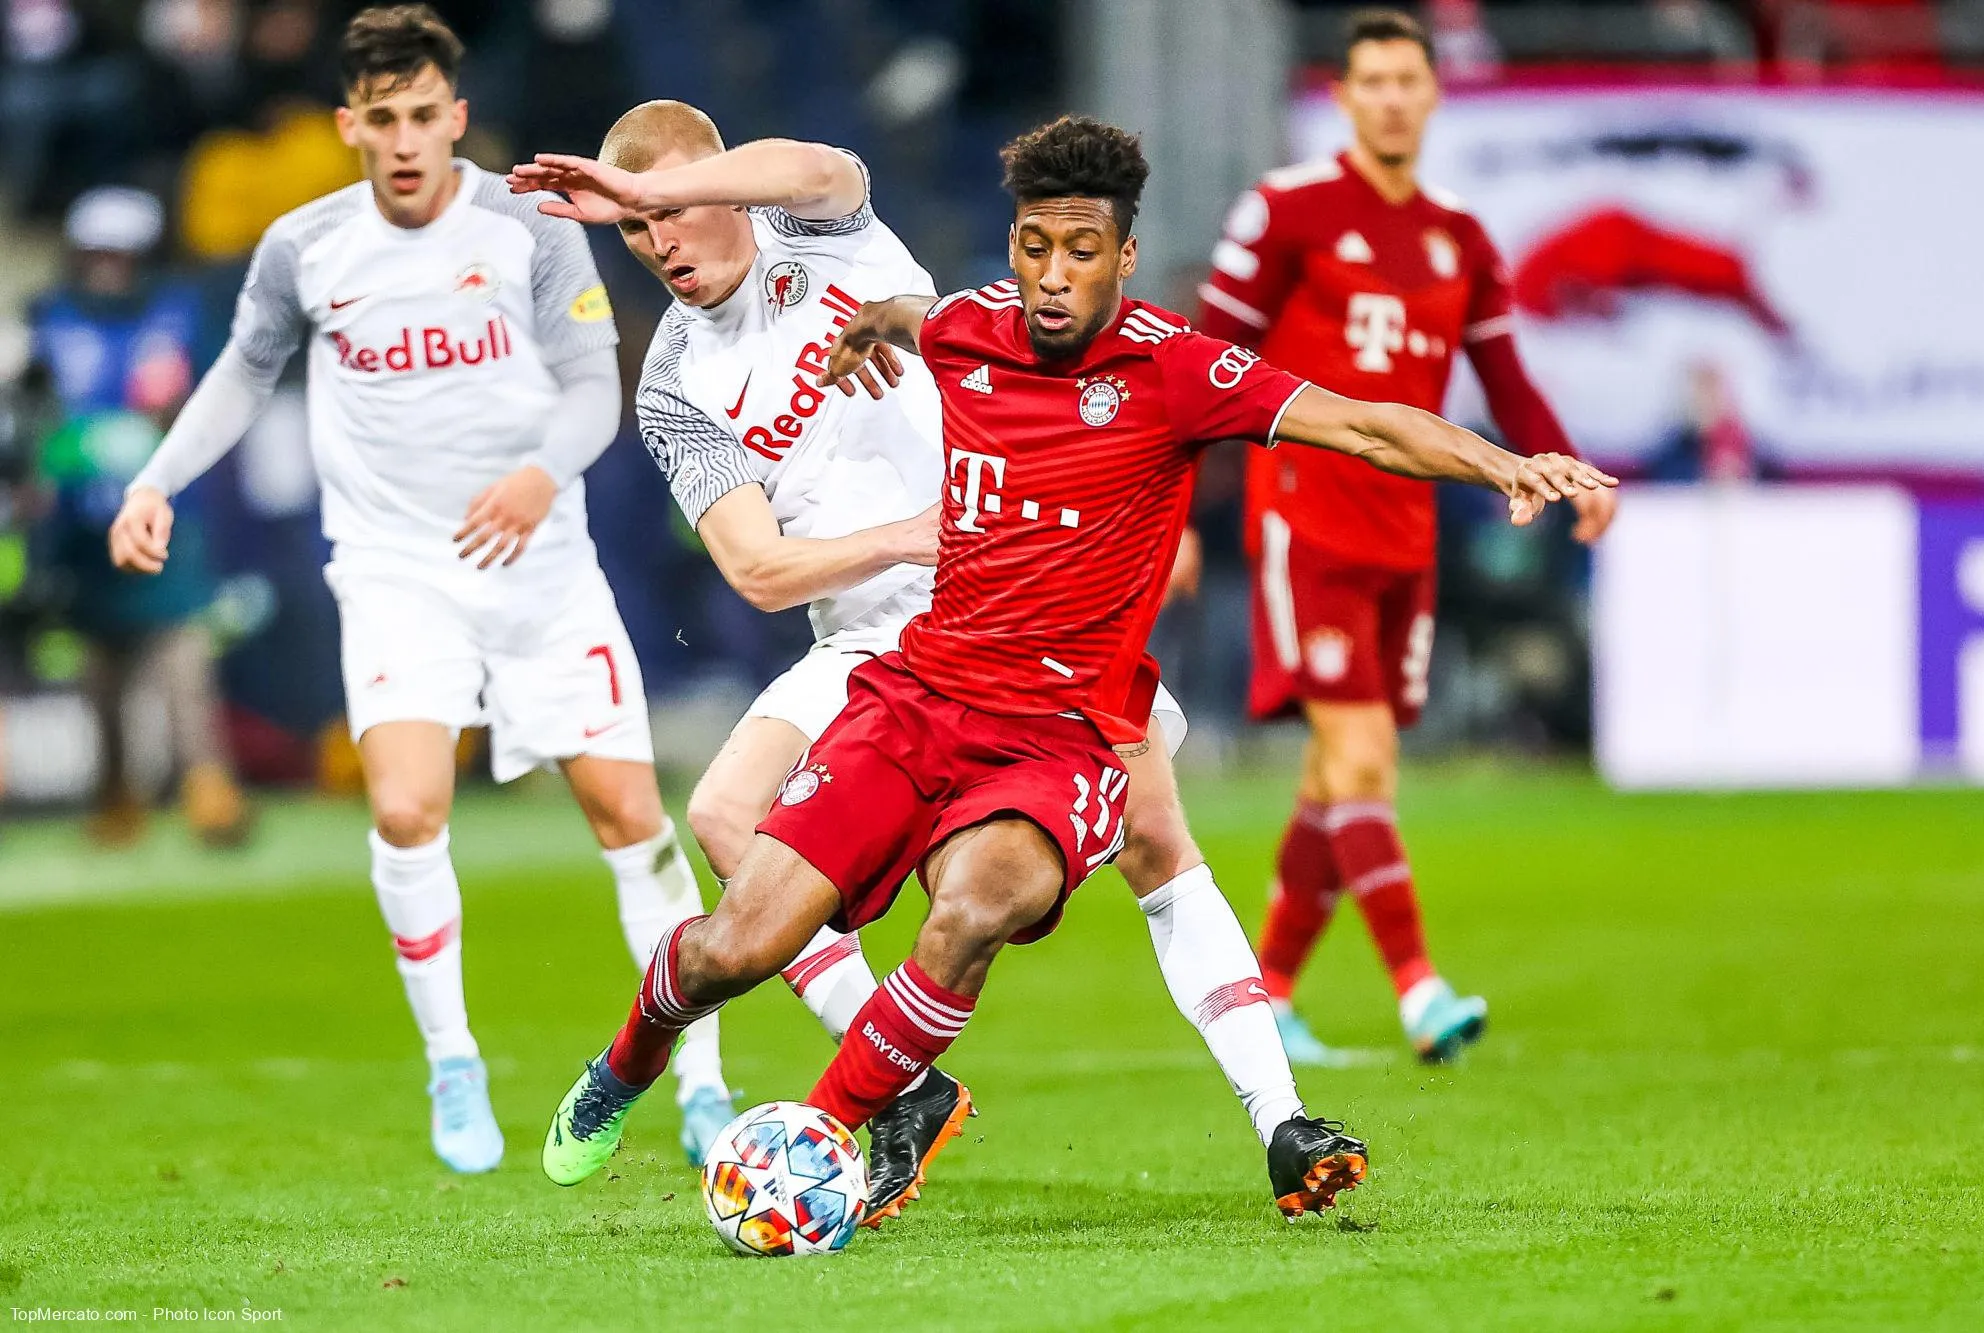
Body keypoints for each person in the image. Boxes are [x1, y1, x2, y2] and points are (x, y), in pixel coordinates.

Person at [529, 114, 1614, 1233]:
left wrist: (1503, 462)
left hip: (1053, 690)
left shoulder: (851, 237)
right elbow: (765, 550)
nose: (1050, 278)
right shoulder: (722, 371)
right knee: (725, 886)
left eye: (1079, 251)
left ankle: (869, 1122)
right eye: (1032, 248)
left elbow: (1361, 425)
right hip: (889, 650)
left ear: (1123, 255)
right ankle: (649, 1061)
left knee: (1046, 877)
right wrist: (905, 495)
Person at [105, 4, 711, 1176]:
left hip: (539, 565)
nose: (404, 138)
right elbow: (241, 374)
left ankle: (700, 1078)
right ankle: (453, 1061)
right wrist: (157, 478)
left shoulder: (529, 225)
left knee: (631, 822)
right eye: (380, 118)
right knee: (402, 810)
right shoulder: (306, 246)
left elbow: (595, 385)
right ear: (349, 124)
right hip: (395, 568)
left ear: (457, 118)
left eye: (424, 115)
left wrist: (541, 475)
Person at [1194, 8, 1618, 1066]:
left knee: (1334, 778)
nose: (1388, 97)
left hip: (1404, 527)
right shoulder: (1285, 211)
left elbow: (1504, 378)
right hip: (1303, 511)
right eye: (1370, 80)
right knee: (1363, 754)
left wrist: (1562, 467)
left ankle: (1270, 991)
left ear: (1430, 95)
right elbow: (1200, 367)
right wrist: (1166, 513)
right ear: (1340, 96)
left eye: (1405, 81)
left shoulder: (1459, 237)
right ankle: (1419, 988)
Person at [30, 185, 249, 847]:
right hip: (79, 519)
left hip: (163, 508)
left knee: (180, 653)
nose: (108, 266)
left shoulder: (180, 313)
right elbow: (33, 410)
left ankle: (207, 784)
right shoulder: (47, 319)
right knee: (100, 668)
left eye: (121, 253)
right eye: (96, 252)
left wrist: (163, 417)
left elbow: (215, 392)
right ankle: (116, 790)